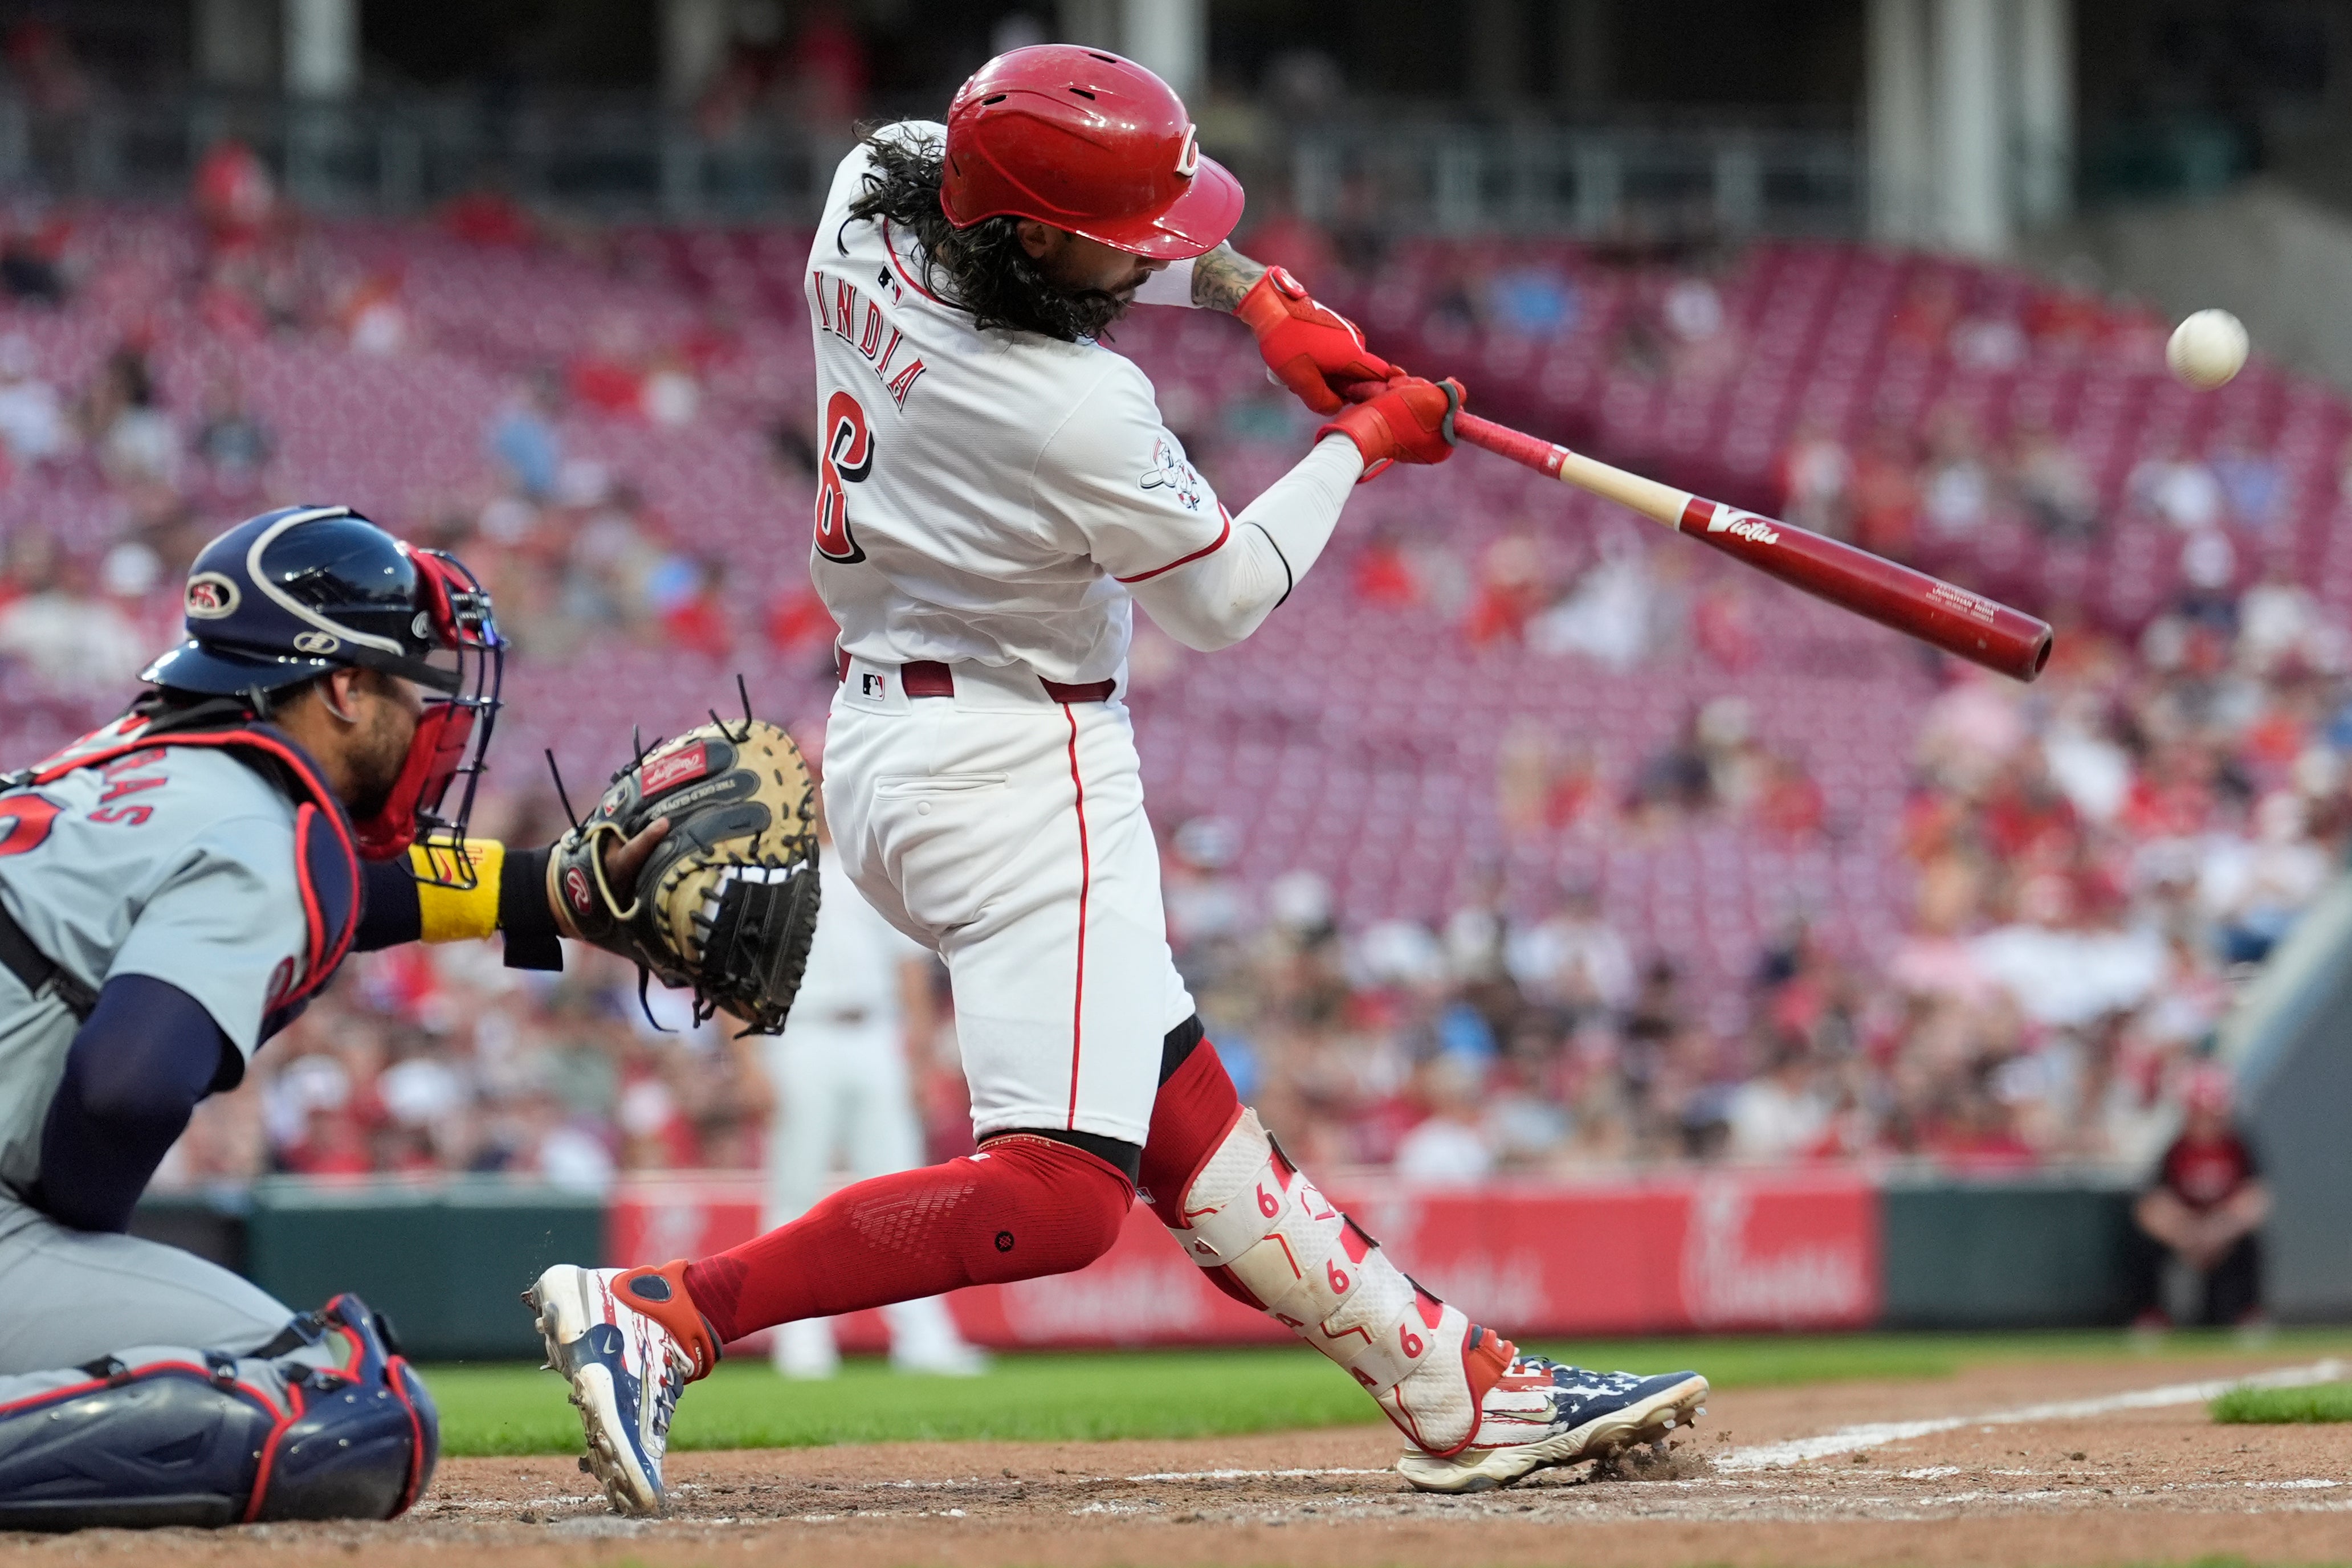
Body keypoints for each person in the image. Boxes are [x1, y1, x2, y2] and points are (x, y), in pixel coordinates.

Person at [528, 44, 1704, 1516]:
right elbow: (1221, 601)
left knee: (1179, 1110)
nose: (1157, 255)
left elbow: (1011, 196)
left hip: (892, 747)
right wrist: (1357, 441)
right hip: (1026, 767)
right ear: (1025, 233)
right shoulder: (1067, 402)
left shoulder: (867, 206)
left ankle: (1451, 1384)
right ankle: (673, 1313)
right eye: (1129, 241)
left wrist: (1252, 298)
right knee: (1061, 1200)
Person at [0, 506, 661, 1528]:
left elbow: (349, 892)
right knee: (345, 1401)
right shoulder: (262, 825)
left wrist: (544, 891)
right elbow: (127, 1088)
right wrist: (76, 1225)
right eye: (407, 680)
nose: (428, 711)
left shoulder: (113, 768)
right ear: (344, 687)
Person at [764, 744, 986, 1379]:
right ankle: (798, 1343)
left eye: (819, 775)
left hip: (873, 1032)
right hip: (796, 1033)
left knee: (900, 1192)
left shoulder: (869, 863)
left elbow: (908, 969)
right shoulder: (765, 868)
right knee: (795, 1188)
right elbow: (735, 977)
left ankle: (923, 1338)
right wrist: (748, 1062)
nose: (814, 787)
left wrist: (917, 1058)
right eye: (804, 776)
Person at [2128, 1068, 2268, 1329]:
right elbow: (2152, 1207)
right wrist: (2187, 1234)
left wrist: (2219, 1230)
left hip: (2224, 1231)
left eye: (2211, 1115)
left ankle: (2249, 1314)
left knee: (2250, 1246)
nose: (2205, 1124)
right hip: (2185, 1231)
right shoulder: (2173, 1150)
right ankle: (2151, 1315)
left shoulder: (2238, 1147)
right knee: (2144, 1247)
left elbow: (2256, 1200)